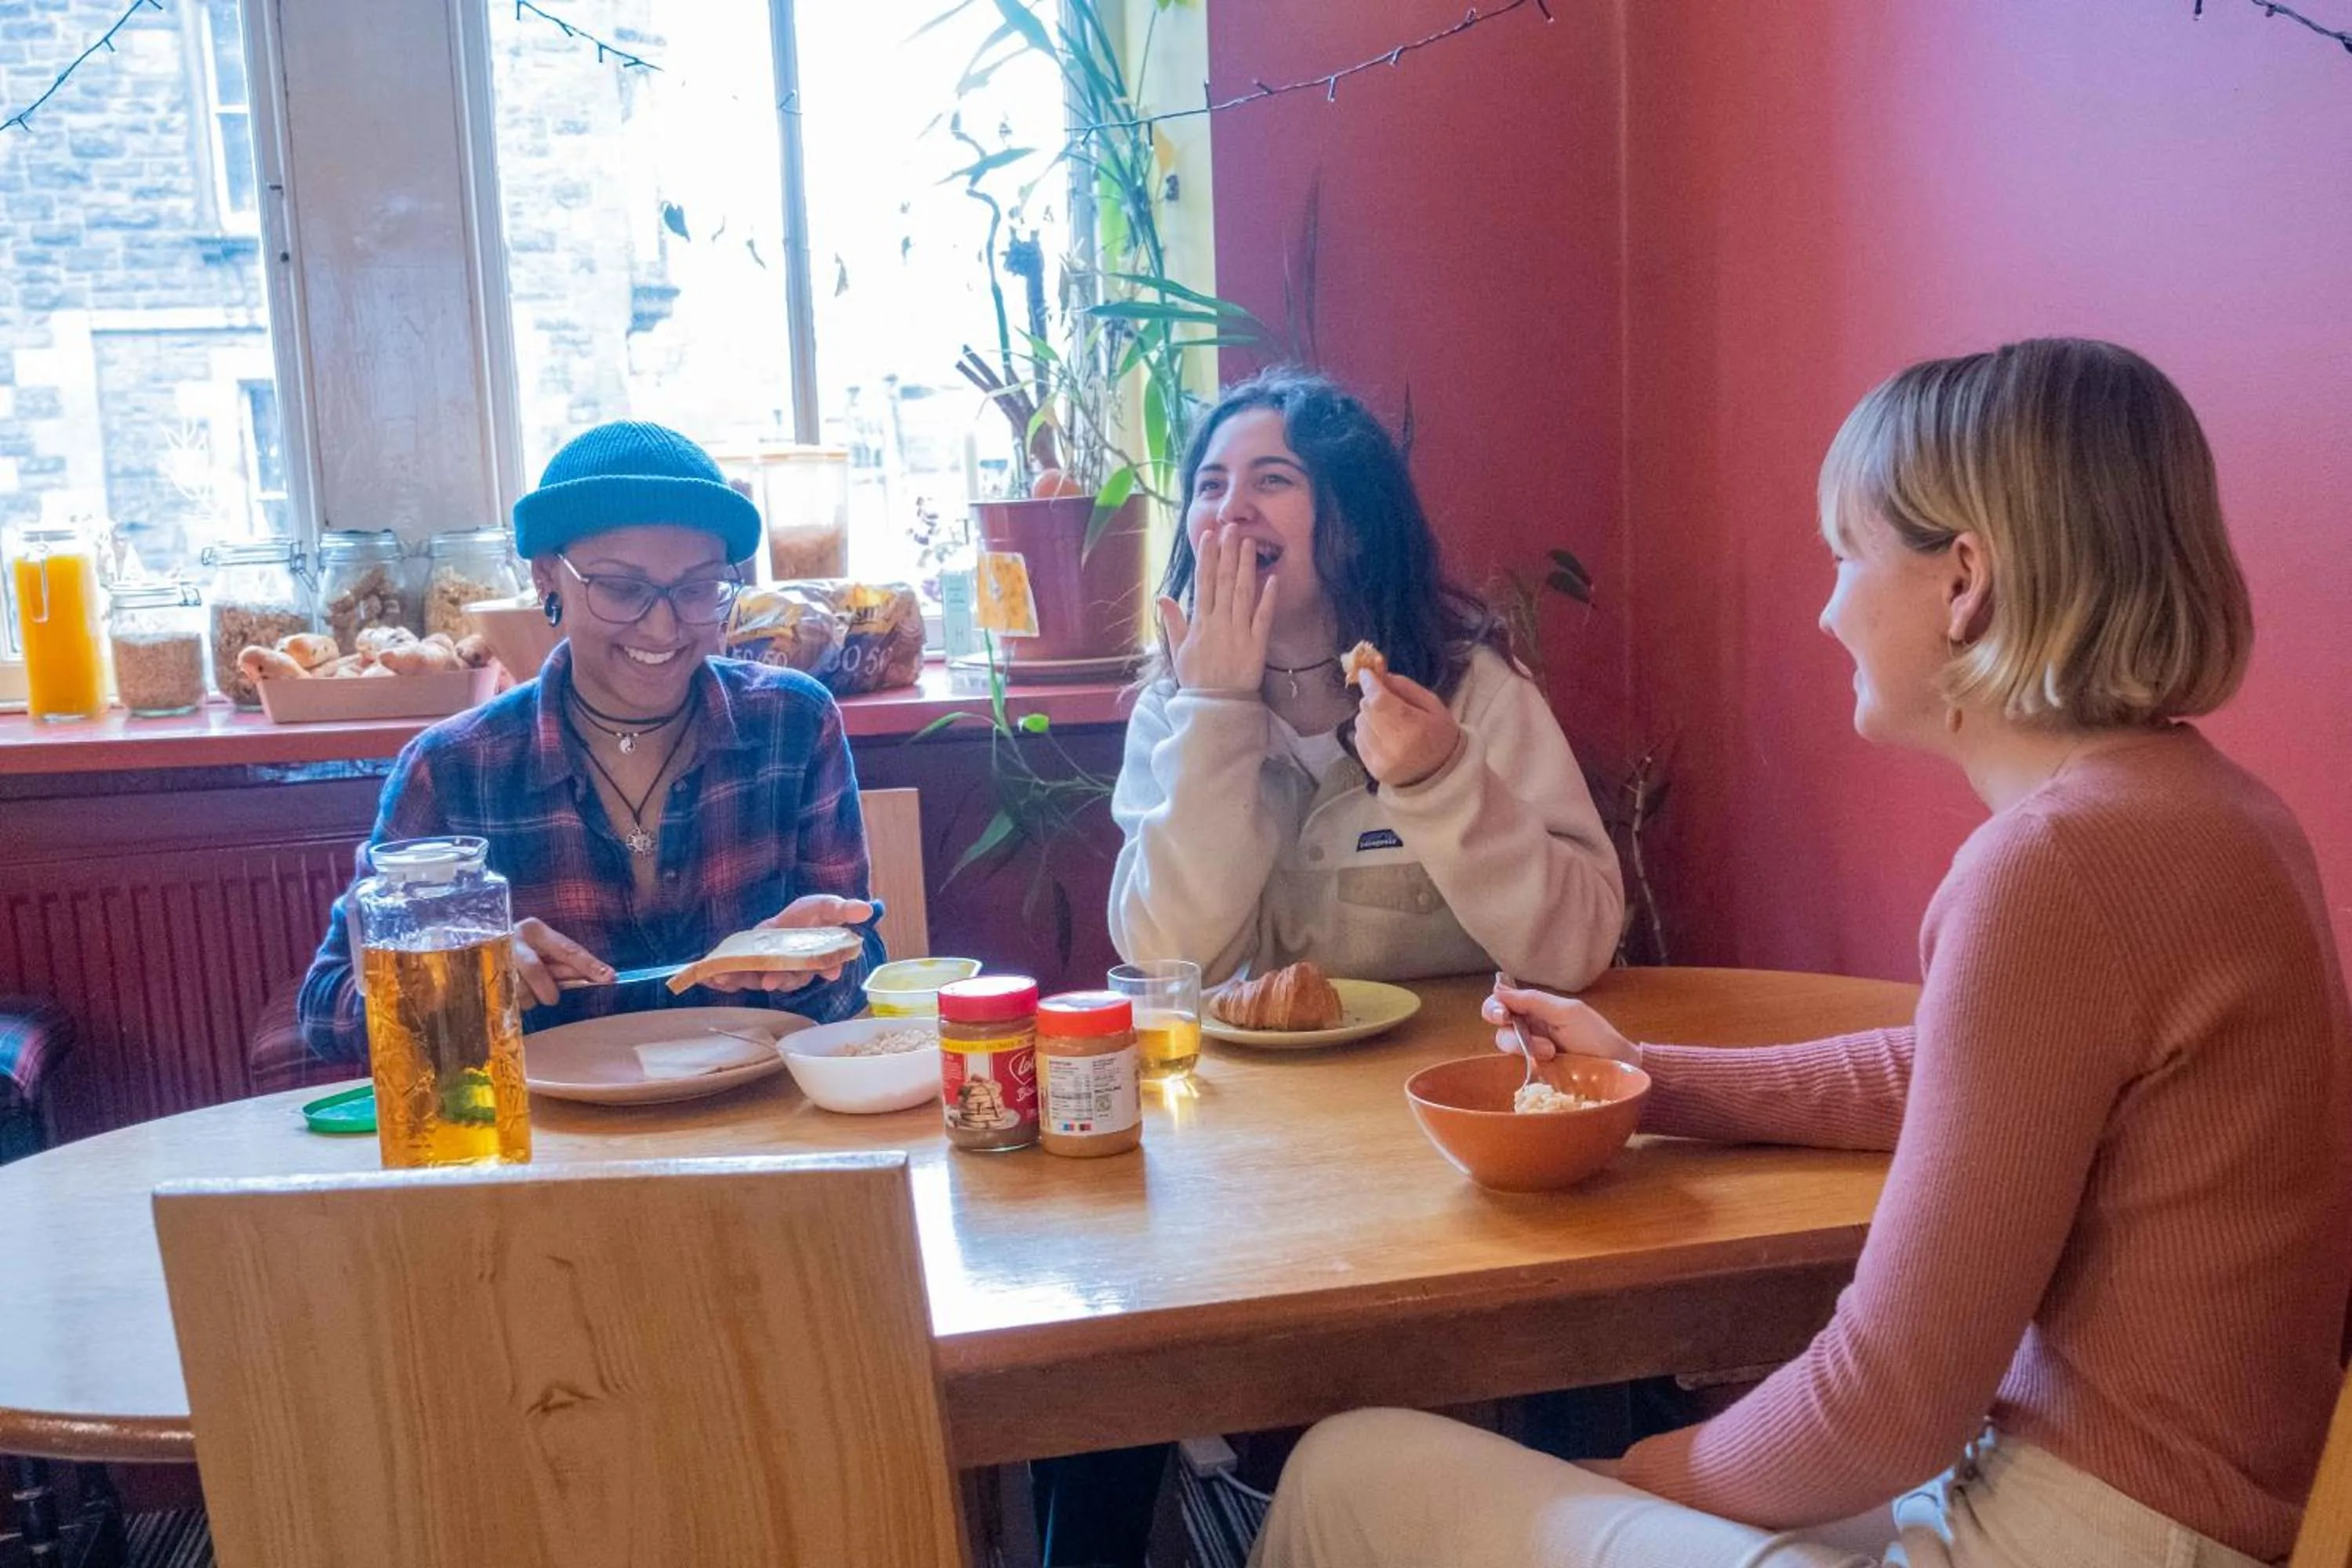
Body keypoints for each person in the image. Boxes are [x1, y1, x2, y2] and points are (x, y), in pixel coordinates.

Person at [1250, 339, 2352, 1568]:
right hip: (2128, 1519)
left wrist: (1635, 1477)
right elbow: (1957, 1076)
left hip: (2059, 1535)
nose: (1827, 607)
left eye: (1847, 554)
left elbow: (1887, 1404)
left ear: (1964, 583)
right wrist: (1660, 1081)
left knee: (1347, 1471)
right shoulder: (2222, 817)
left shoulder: (2053, 869)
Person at [298, 420, 884, 1063]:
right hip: (545, 1146)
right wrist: (463, 978)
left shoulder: (792, 725)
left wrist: (822, 962)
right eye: (622, 589)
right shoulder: (455, 769)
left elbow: (861, 969)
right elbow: (328, 1012)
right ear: (548, 578)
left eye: (696, 589)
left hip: (759, 1124)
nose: (663, 627)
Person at [1109, 370, 1624, 989]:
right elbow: (1168, 964)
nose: (1231, 509)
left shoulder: (1469, 688)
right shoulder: (1172, 711)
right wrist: (1215, 711)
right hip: (1265, 1083)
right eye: (1209, 485)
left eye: (1272, 480)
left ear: (1352, 526)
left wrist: (1441, 777)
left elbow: (1579, 946)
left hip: (1455, 1075)